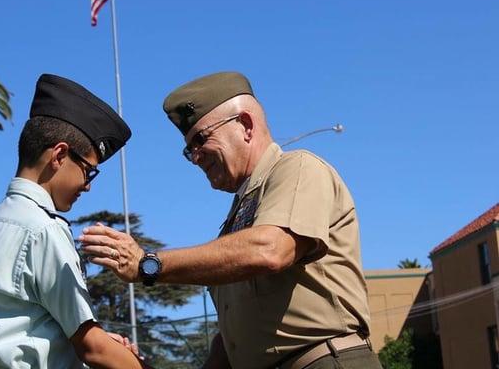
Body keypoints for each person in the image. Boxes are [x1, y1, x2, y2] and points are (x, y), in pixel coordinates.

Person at [79, 71, 382, 369]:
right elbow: (234, 337)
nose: (195, 156)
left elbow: (271, 250)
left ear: (246, 125)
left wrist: (149, 264)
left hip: (321, 360)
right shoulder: (240, 215)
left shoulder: (298, 168)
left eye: (201, 139)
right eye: (189, 150)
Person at [0, 74, 147, 369]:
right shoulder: (45, 228)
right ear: (60, 155)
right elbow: (92, 348)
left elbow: (23, 324)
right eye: (89, 171)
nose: (88, 185)